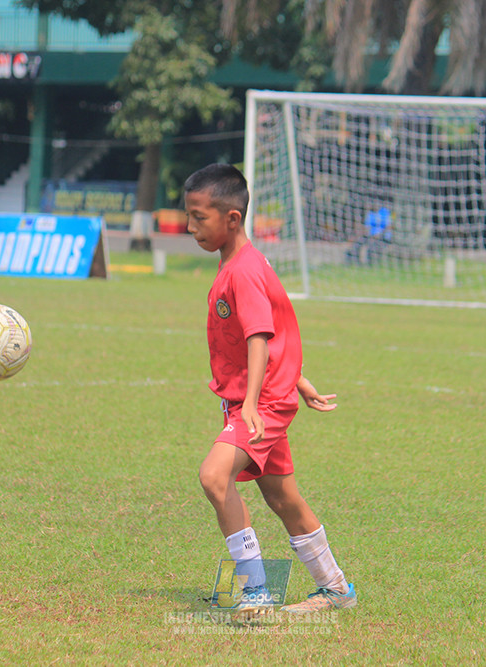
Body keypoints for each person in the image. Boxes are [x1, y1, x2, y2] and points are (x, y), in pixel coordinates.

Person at [183, 163, 357, 619]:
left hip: (257, 404)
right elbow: (269, 330)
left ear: (232, 218)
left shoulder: (241, 271)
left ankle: (255, 593)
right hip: (262, 398)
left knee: (213, 477)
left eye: (200, 217)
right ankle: (335, 588)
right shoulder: (244, 263)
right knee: (283, 497)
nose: (190, 226)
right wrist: (298, 380)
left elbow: (259, 335)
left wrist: (255, 405)